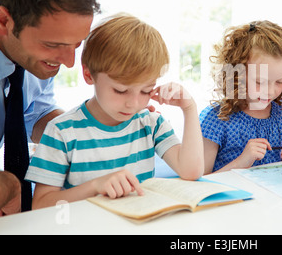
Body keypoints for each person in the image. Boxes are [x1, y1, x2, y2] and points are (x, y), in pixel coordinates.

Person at [25, 15, 204, 209]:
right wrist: (95, 186)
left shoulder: (150, 123)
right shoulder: (61, 131)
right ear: (88, 74)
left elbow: (191, 171)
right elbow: (41, 205)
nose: (133, 104)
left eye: (146, 91)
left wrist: (189, 108)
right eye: (120, 90)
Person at [0, 0, 99, 217]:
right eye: (53, 45)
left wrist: (95, 130)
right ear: (3, 21)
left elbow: (34, 114)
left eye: (76, 44)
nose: (69, 61)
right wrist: (9, 185)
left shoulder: (32, 58)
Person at [200, 20, 282, 174]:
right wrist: (243, 160)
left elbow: (269, 167)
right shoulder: (216, 120)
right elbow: (201, 183)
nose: (269, 91)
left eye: (279, 81)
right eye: (260, 82)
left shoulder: (281, 115)